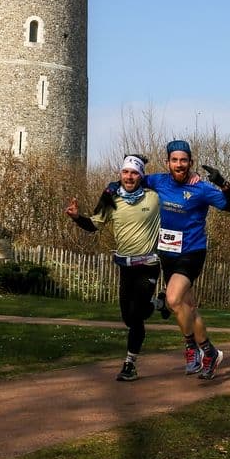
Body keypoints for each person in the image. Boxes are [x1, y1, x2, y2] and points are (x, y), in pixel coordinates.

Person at [144, 139, 230, 380]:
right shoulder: (158, 181)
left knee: (173, 299)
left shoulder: (201, 188)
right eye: (175, 160)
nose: (179, 164)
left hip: (192, 252)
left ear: (191, 162)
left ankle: (191, 349)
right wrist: (133, 162)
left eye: (184, 160)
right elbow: (132, 180)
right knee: (187, 308)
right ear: (167, 162)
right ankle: (210, 353)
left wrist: (223, 184)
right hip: (168, 252)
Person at [65, 154, 162, 381]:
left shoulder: (154, 197)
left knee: (136, 316)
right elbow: (94, 225)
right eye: (125, 172)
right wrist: (77, 217)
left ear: (141, 176)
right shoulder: (112, 198)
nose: (129, 177)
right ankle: (157, 303)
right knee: (128, 317)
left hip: (148, 264)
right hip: (125, 266)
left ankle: (130, 364)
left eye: (134, 173)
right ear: (120, 174)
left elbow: (175, 194)